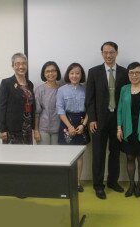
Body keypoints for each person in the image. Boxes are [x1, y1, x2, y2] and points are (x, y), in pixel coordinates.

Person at [85, 41, 129, 199]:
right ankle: (98, 185)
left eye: (112, 52)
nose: (109, 55)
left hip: (117, 121)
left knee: (115, 153)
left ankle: (112, 181)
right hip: (99, 120)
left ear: (117, 53)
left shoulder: (125, 73)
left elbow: (126, 98)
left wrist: (123, 121)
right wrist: (92, 119)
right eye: (105, 52)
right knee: (98, 154)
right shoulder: (93, 72)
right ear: (102, 53)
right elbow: (89, 99)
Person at [117, 62, 140, 198]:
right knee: (130, 157)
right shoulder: (124, 89)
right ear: (128, 74)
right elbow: (120, 109)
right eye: (131, 73)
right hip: (127, 127)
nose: (134, 75)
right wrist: (119, 128)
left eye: (137, 72)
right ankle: (131, 184)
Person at [56, 63, 88, 192]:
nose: (74, 75)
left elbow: (90, 109)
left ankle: (77, 183)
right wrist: (69, 126)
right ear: (68, 75)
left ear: (81, 75)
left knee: (79, 156)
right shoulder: (61, 90)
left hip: (81, 123)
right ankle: (66, 182)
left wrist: (83, 125)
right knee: (66, 155)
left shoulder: (86, 89)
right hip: (66, 123)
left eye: (77, 73)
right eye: (72, 73)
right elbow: (60, 109)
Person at [0, 53, 35, 144]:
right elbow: (1, 107)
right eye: (17, 64)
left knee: (27, 156)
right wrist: (2, 130)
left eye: (24, 63)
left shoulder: (30, 84)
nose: (21, 66)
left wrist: (34, 127)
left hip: (27, 128)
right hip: (12, 130)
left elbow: (32, 105)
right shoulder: (6, 83)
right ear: (13, 66)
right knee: (12, 156)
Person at [34, 61, 62, 145]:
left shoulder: (62, 89)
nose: (51, 73)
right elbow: (36, 112)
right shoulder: (39, 90)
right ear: (44, 74)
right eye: (47, 71)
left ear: (57, 72)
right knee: (44, 156)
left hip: (59, 129)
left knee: (57, 156)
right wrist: (36, 130)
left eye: (53, 71)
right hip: (43, 129)